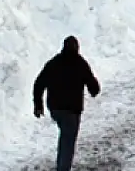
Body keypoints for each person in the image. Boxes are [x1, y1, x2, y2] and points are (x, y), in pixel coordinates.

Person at [33, 36, 101, 171]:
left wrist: (38, 105)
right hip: (72, 110)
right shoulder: (80, 63)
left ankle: (61, 164)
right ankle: (63, 168)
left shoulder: (54, 62)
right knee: (68, 140)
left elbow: (39, 83)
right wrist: (94, 91)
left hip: (55, 109)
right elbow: (93, 85)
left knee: (65, 135)